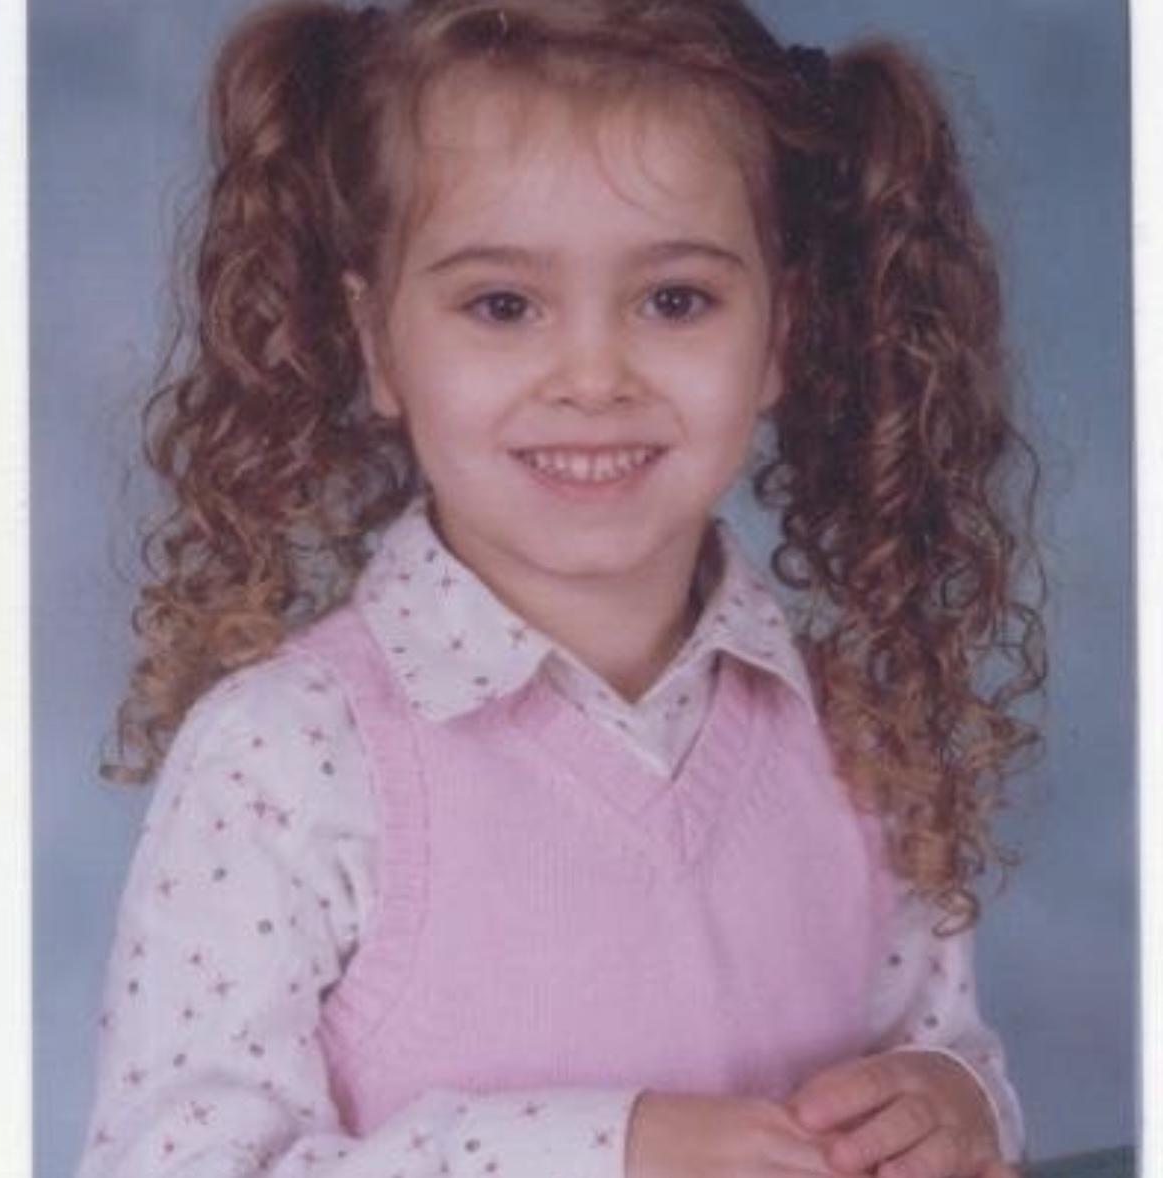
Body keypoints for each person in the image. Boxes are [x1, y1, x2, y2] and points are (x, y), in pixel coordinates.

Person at [78, 1, 1046, 1175]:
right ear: (376, 342)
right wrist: (606, 1148)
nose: (592, 376)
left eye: (674, 299)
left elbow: (938, 1040)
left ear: (780, 331)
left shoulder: (856, 733)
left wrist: (953, 1099)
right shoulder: (287, 755)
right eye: (502, 305)